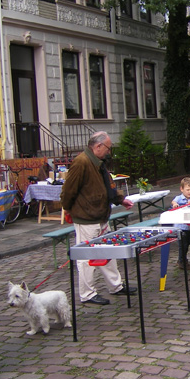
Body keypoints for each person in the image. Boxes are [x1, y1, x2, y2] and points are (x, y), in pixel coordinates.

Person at [60, 131, 136, 305]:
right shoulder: (81, 162)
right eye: (108, 148)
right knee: (86, 257)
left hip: (100, 216)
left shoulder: (98, 163)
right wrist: (68, 209)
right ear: (98, 146)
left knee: (108, 252)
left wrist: (120, 199)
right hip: (87, 218)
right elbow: (68, 191)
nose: (109, 152)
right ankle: (87, 294)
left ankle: (115, 286)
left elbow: (107, 186)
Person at [170, 177, 190, 270]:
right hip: (180, 227)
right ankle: (182, 261)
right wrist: (174, 204)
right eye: (187, 189)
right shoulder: (179, 198)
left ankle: (182, 259)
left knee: (188, 243)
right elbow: (174, 201)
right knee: (182, 245)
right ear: (182, 189)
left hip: (189, 227)